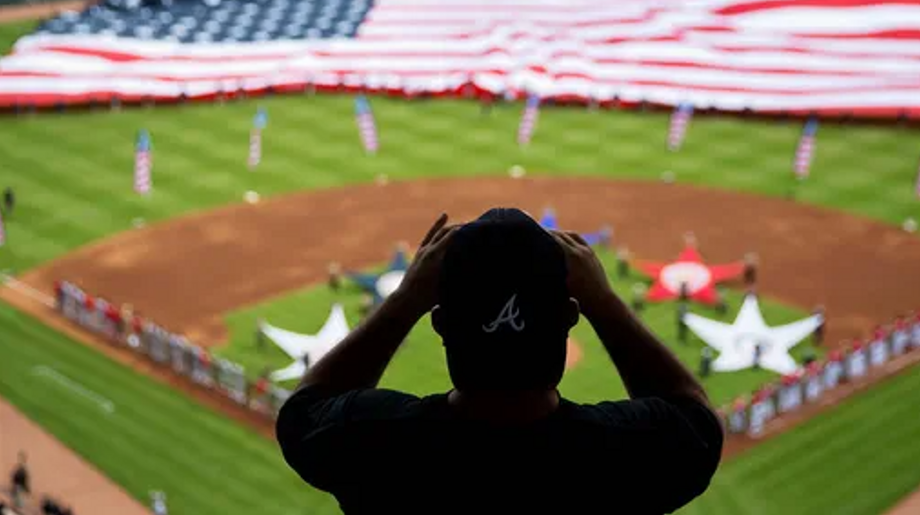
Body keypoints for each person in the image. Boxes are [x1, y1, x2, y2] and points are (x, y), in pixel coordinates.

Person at [277, 209, 723, 515]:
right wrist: (604, 302)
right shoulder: (623, 456)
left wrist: (406, 297)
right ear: (571, 316)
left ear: (440, 324)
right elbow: (695, 419)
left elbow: (303, 413)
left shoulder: (374, 442)